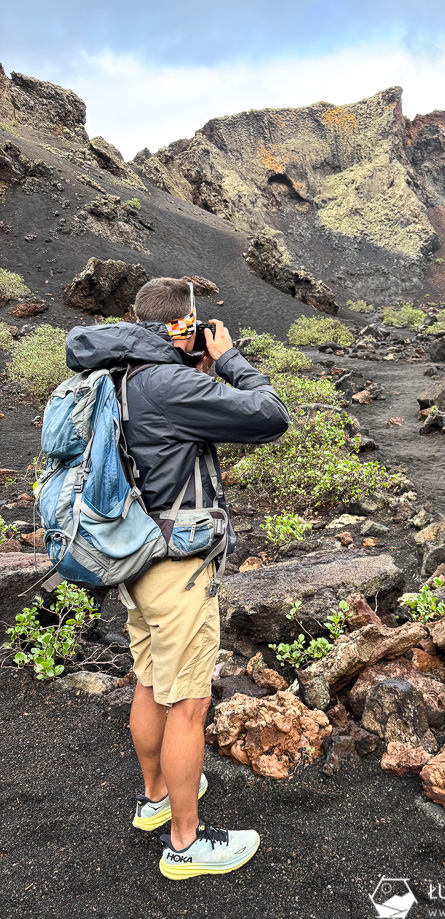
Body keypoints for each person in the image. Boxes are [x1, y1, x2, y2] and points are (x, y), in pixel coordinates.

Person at [64, 276, 290, 879]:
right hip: (178, 567)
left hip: (137, 559)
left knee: (148, 680)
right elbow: (270, 416)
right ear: (183, 327)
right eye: (199, 323)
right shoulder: (170, 381)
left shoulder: (122, 374)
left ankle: (155, 798)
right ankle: (186, 847)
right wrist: (229, 359)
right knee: (188, 702)